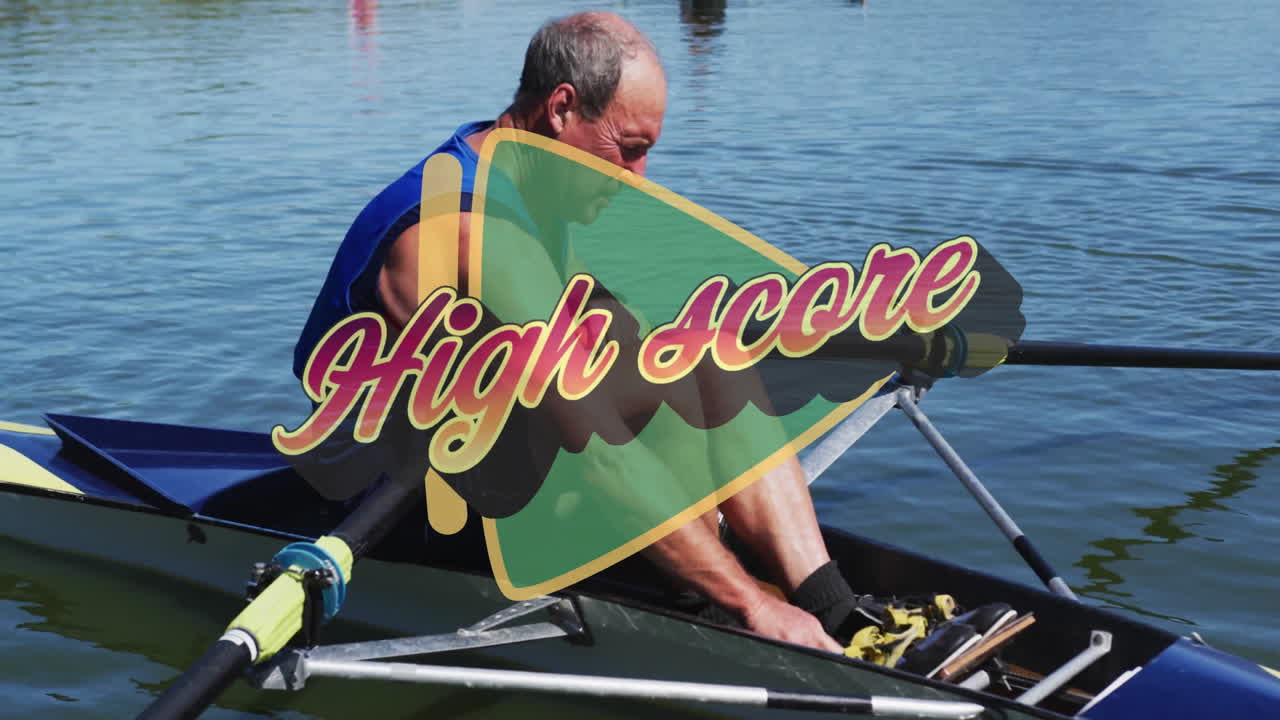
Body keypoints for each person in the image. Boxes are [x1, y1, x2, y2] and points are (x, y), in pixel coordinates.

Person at [294, 11, 876, 655]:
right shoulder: (466, 228)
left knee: (707, 356)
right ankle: (734, 612)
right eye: (629, 148)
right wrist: (752, 600)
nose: (640, 175)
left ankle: (833, 610)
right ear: (562, 107)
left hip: (480, 450)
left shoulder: (521, 172)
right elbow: (592, 438)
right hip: (385, 501)